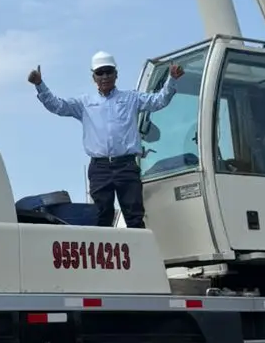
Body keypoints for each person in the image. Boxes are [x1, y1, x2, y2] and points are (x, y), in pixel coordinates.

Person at [28, 52, 184, 229]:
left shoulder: (131, 98)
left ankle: (137, 254)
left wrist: (171, 79)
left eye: (108, 71)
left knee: (134, 216)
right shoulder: (84, 103)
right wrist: (39, 85)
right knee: (102, 218)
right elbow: (58, 106)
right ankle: (107, 257)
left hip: (126, 165)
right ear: (93, 76)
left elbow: (159, 101)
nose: (105, 76)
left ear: (116, 74)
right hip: (100, 168)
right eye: (100, 72)